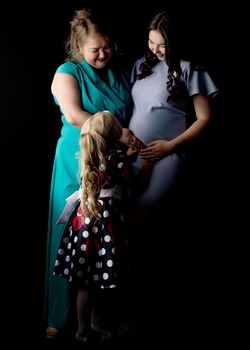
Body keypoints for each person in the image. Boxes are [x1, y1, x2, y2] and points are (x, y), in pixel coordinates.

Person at [44, 7, 141, 339]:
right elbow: (73, 115)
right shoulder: (67, 71)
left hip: (112, 166)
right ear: (79, 45)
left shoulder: (120, 72)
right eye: (94, 49)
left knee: (109, 243)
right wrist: (119, 133)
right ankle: (60, 316)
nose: (102, 54)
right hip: (78, 161)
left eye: (107, 47)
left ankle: (106, 316)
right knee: (67, 239)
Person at [125, 11, 219, 337]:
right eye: (151, 42)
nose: (155, 50)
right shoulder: (142, 64)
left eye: (162, 45)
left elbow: (204, 119)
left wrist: (169, 146)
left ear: (175, 42)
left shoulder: (191, 68)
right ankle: (127, 307)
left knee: (137, 227)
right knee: (128, 234)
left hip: (167, 156)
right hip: (134, 158)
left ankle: (137, 312)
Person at [53, 111, 143, 344]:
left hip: (85, 225)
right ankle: (86, 330)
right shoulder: (117, 158)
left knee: (88, 281)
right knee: (98, 281)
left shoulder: (89, 156)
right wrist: (132, 160)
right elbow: (130, 183)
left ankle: (89, 327)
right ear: (114, 134)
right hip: (106, 227)